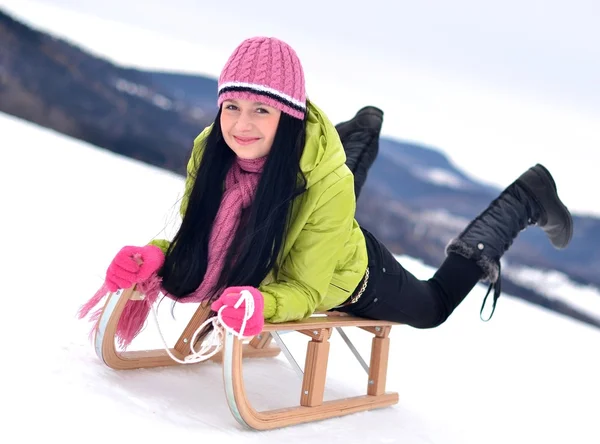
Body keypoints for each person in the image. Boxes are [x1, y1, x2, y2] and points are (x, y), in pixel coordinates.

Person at [78, 36, 573, 348]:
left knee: (432, 307)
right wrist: (154, 257)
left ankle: (523, 200)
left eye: (261, 111)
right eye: (232, 107)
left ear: (287, 117)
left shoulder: (325, 187)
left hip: (351, 273)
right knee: (310, 190)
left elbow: (307, 289)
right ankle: (358, 136)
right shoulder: (210, 152)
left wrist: (262, 304)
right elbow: (198, 242)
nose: (241, 125)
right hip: (305, 224)